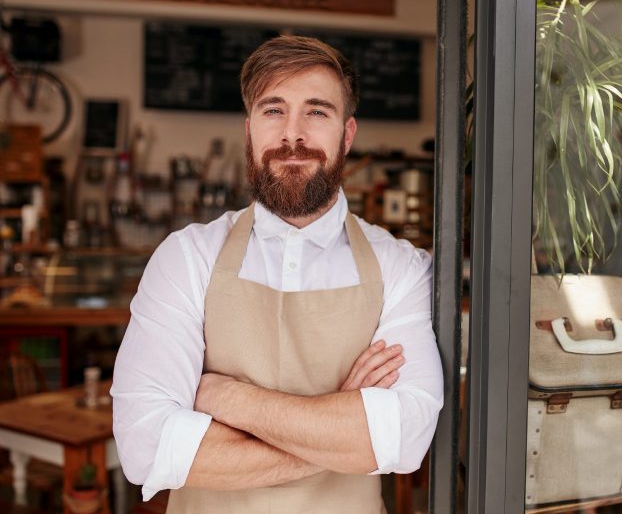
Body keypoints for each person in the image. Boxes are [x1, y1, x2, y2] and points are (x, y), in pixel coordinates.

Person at [111, 36, 443, 513]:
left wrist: (224, 397)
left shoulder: (401, 268)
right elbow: (145, 448)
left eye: (317, 112)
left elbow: (404, 440)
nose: (293, 135)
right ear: (249, 129)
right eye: (273, 110)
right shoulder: (186, 258)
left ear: (347, 134)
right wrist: (339, 422)